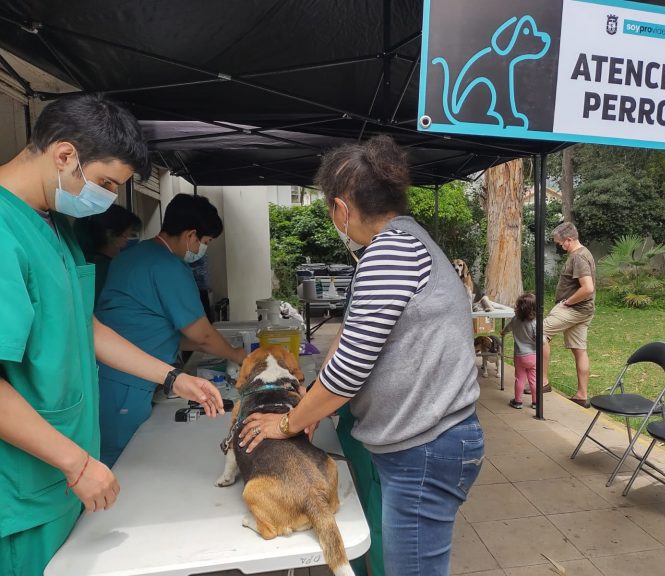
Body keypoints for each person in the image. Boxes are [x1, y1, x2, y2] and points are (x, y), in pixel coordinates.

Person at [238, 135, 485, 576]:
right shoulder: (407, 241)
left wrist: (287, 422)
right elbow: (350, 338)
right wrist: (312, 403)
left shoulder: (389, 253)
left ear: (340, 208)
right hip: (430, 439)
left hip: (425, 446)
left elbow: (349, 371)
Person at [0, 93, 224, 576]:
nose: (104, 197)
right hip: (24, 486)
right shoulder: (4, 229)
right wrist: (74, 461)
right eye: (104, 183)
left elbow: (85, 326)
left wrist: (173, 378)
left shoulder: (52, 225)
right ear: (64, 155)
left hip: (64, 472)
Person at [95, 193, 246, 467]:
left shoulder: (134, 254)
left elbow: (161, 329)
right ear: (191, 235)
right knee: (122, 463)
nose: (203, 249)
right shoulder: (167, 266)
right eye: (206, 242)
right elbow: (202, 335)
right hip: (126, 380)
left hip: (108, 374)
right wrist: (238, 356)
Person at [542, 222, 596, 408]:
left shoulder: (578, 257)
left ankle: (542, 382)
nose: (559, 246)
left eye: (559, 243)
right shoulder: (583, 253)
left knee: (539, 334)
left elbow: (588, 288)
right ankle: (582, 395)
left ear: (569, 240)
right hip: (584, 310)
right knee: (579, 349)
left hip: (573, 309)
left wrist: (567, 302)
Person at [74, 204, 142, 301]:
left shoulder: (83, 264)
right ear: (110, 234)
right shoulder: (110, 271)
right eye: (127, 235)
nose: (129, 240)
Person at [505, 292, 537, 409]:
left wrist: (503, 332)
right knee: (533, 379)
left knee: (519, 378)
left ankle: (518, 401)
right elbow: (540, 339)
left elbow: (508, 328)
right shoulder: (534, 323)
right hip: (533, 356)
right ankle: (535, 402)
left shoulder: (515, 320)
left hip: (519, 356)